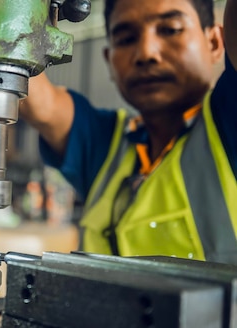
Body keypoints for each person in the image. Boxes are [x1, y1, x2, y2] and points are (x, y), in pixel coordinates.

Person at [20, 0, 237, 263]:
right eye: (125, 39)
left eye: (170, 29)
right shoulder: (104, 143)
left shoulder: (228, 121)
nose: (146, 52)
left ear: (215, 42)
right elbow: (32, 91)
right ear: (108, 59)